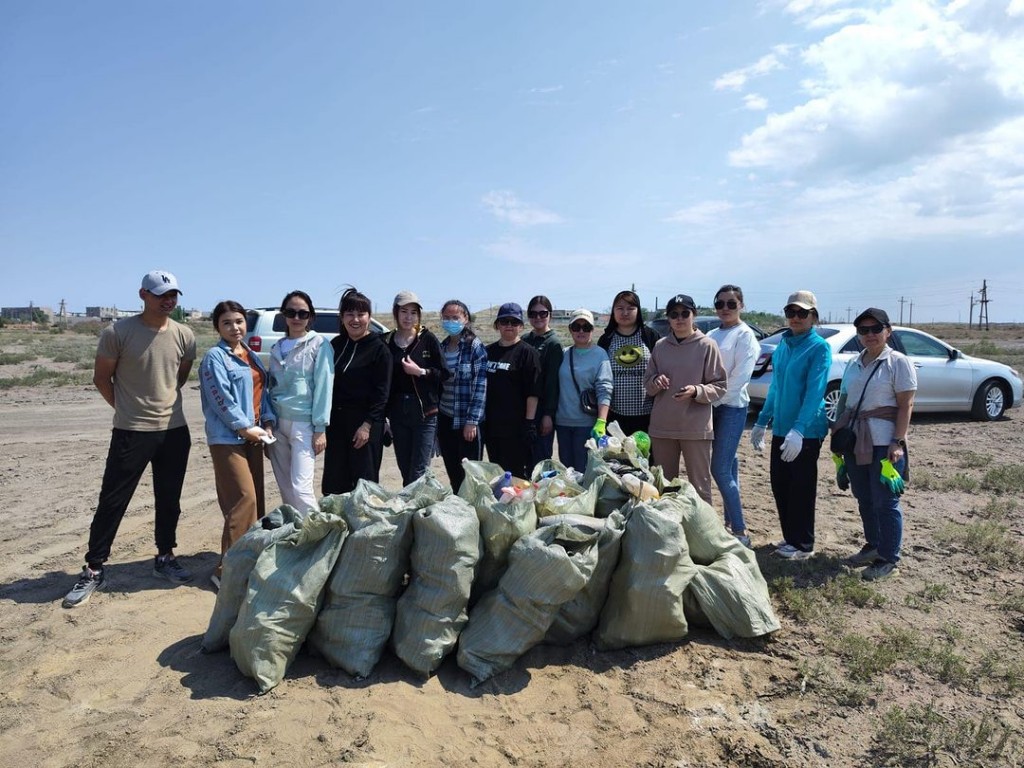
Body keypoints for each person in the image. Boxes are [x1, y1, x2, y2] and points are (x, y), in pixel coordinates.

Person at [62, 270, 197, 608]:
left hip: (174, 430)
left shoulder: (185, 334)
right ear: (143, 295)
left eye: (173, 295)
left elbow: (180, 376)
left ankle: (165, 557)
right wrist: (126, 409)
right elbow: (101, 378)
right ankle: (94, 568)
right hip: (131, 431)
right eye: (161, 294)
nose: (169, 300)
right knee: (112, 501)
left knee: (170, 499)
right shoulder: (117, 332)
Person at [834, 308, 917, 581]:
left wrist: (897, 441)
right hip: (857, 441)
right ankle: (872, 545)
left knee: (885, 501)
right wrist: (838, 432)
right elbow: (846, 400)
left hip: (884, 443)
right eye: (863, 330)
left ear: (887, 331)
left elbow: (906, 405)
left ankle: (888, 557)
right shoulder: (855, 363)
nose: (869, 335)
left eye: (875, 329)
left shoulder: (898, 362)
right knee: (864, 497)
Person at [199, 300, 276, 588]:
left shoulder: (252, 356)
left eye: (239, 321)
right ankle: (226, 572)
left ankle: (248, 561)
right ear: (218, 327)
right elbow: (221, 399)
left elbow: (262, 393)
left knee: (256, 502)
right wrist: (245, 428)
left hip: (254, 436)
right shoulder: (214, 358)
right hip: (228, 438)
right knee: (243, 500)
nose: (235, 327)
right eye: (227, 323)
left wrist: (267, 422)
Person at [751, 290, 832, 560]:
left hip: (806, 431)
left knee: (801, 486)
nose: (795, 318)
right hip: (783, 427)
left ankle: (803, 544)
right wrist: (762, 421)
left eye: (802, 313)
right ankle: (790, 538)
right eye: (791, 312)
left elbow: (814, 392)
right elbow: (776, 387)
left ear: (813, 317)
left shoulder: (819, 347)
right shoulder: (784, 346)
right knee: (780, 483)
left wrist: (799, 429)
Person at [644, 294, 727, 504]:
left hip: (695, 428)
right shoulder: (660, 346)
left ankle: (702, 534)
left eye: (684, 313)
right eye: (674, 314)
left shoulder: (707, 345)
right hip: (663, 427)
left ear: (694, 315)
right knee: (664, 486)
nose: (679, 318)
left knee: (700, 487)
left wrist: (696, 391)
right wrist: (656, 380)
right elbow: (648, 385)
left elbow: (719, 386)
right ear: (668, 318)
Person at [267, 290, 333, 513]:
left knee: (301, 488)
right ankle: (299, 536)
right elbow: (271, 386)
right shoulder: (277, 347)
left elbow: (324, 387)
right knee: (285, 487)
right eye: (291, 312)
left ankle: (320, 537)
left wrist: (320, 428)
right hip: (277, 424)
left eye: (302, 313)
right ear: (283, 315)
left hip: (303, 424)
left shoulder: (318, 345)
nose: (296, 318)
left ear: (310, 317)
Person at [322, 287, 392, 495]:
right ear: (342, 317)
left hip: (365, 425)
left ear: (369, 317)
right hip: (336, 424)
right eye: (349, 314)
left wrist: (367, 426)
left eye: (361, 314)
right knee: (335, 482)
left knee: (364, 484)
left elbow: (382, 393)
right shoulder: (336, 345)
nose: (355, 319)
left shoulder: (380, 349)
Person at [707, 285, 761, 547]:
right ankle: (730, 521)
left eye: (731, 303)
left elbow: (739, 379)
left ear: (741, 305)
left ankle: (740, 531)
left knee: (718, 468)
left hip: (731, 408)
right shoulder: (711, 333)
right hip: (710, 407)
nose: (725, 309)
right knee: (730, 464)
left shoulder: (745, 336)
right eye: (720, 304)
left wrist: (710, 398)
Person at [385, 290, 448, 487]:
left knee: (419, 469)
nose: (408, 317)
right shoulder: (386, 341)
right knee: (405, 467)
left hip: (425, 412)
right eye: (404, 311)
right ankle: (414, 509)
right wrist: (385, 415)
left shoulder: (427, 338)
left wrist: (420, 372)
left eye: (413, 312)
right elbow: (383, 382)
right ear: (396, 313)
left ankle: (413, 510)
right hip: (397, 413)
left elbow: (443, 373)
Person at [484, 303, 541, 479]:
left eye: (514, 322)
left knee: (514, 475)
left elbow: (533, 391)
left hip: (516, 428)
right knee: (497, 473)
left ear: (521, 326)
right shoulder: (488, 352)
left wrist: (529, 423)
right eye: (504, 321)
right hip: (491, 425)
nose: (509, 325)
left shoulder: (527, 353)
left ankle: (516, 506)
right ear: (497, 325)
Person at [437, 299, 487, 492]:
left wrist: (472, 421)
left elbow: (480, 386)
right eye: (447, 318)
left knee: (470, 475)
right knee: (453, 471)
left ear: (465, 319)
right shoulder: (441, 347)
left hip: (466, 422)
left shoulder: (474, 347)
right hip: (446, 418)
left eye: (455, 317)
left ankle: (474, 511)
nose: (451, 321)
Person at [555, 309, 612, 472]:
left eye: (586, 327)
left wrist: (601, 421)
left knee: (583, 471)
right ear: (570, 329)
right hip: (563, 423)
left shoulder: (600, 355)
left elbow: (604, 388)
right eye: (576, 326)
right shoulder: (563, 354)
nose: (581, 331)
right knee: (567, 471)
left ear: (592, 330)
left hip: (587, 425)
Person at [598, 289, 661, 436]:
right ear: (613, 311)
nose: (625, 313)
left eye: (630, 308)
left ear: (638, 311)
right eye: (620, 308)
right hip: (614, 415)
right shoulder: (606, 339)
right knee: (615, 458)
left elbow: (663, 367)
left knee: (644, 458)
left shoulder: (650, 336)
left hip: (647, 415)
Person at [521, 295, 563, 464]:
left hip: (542, 411)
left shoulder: (553, 344)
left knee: (540, 462)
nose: (538, 317)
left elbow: (553, 383)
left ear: (550, 315)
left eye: (543, 313)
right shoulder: (524, 340)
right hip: (522, 409)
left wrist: (548, 414)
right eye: (533, 313)